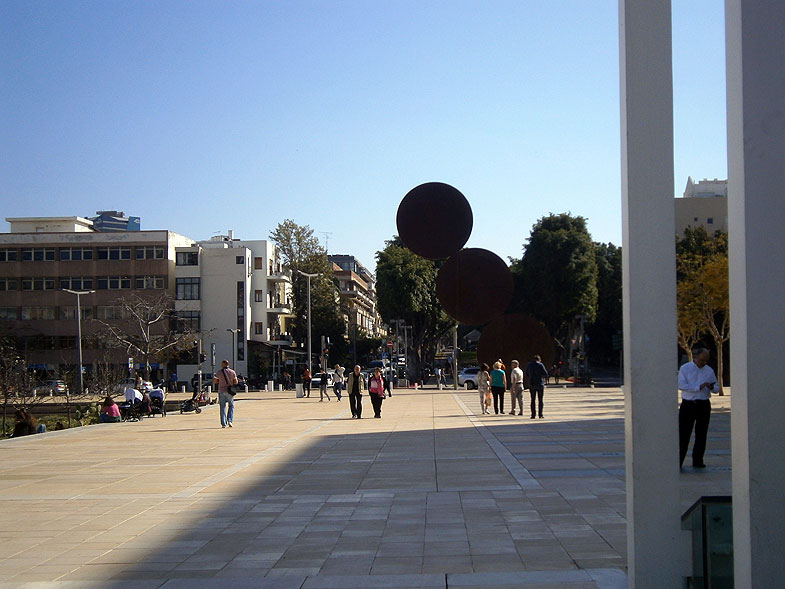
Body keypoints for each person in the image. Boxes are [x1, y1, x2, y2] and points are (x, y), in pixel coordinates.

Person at [678, 348, 719, 468]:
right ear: (696, 357)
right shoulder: (685, 368)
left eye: (706, 360)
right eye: (702, 360)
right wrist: (698, 387)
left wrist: (711, 387)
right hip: (689, 404)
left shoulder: (709, 370)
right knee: (684, 434)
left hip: (703, 404)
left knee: (701, 433)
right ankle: (679, 461)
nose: (703, 363)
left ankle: (698, 460)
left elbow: (716, 388)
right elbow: (681, 385)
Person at [213, 359, 239, 428]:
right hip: (230, 391)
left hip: (221, 390)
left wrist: (220, 380)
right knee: (231, 406)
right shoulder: (232, 372)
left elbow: (215, 381)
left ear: (223, 364)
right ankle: (230, 420)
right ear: (228, 364)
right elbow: (236, 382)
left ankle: (223, 423)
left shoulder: (219, 372)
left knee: (222, 407)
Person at [525, 354, 549, 419]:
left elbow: (526, 373)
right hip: (540, 384)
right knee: (540, 400)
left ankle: (533, 415)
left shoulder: (529, 365)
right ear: (539, 359)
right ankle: (540, 414)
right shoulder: (540, 365)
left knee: (532, 400)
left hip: (532, 384)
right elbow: (545, 374)